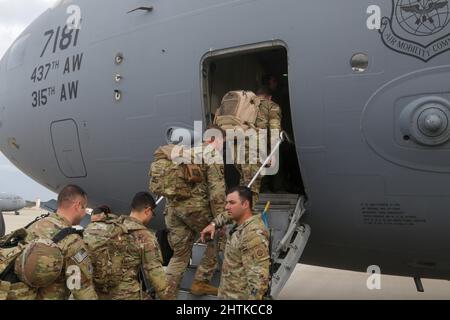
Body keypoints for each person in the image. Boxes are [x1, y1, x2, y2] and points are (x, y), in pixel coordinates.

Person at [163, 127, 227, 299]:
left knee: (180, 254)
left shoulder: (187, 152)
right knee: (220, 237)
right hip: (194, 210)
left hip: (172, 210)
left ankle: (166, 294)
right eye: (224, 143)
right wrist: (218, 221)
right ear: (217, 140)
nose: (223, 147)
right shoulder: (212, 154)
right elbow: (217, 194)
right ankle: (201, 281)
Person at [23, 184, 98, 300]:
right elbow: (81, 288)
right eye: (85, 208)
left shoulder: (34, 225)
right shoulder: (72, 240)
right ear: (78, 206)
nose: (84, 213)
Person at [201, 186, 270, 300]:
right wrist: (213, 225)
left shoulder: (252, 234)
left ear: (245, 204)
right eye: (226, 203)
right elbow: (225, 215)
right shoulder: (239, 224)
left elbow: (258, 281)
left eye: (232, 203)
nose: (227, 207)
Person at [108, 192, 167, 300]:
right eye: (152, 214)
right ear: (147, 210)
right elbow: (156, 275)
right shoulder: (145, 236)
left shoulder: (111, 227)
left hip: (103, 292)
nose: (151, 217)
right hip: (127, 295)